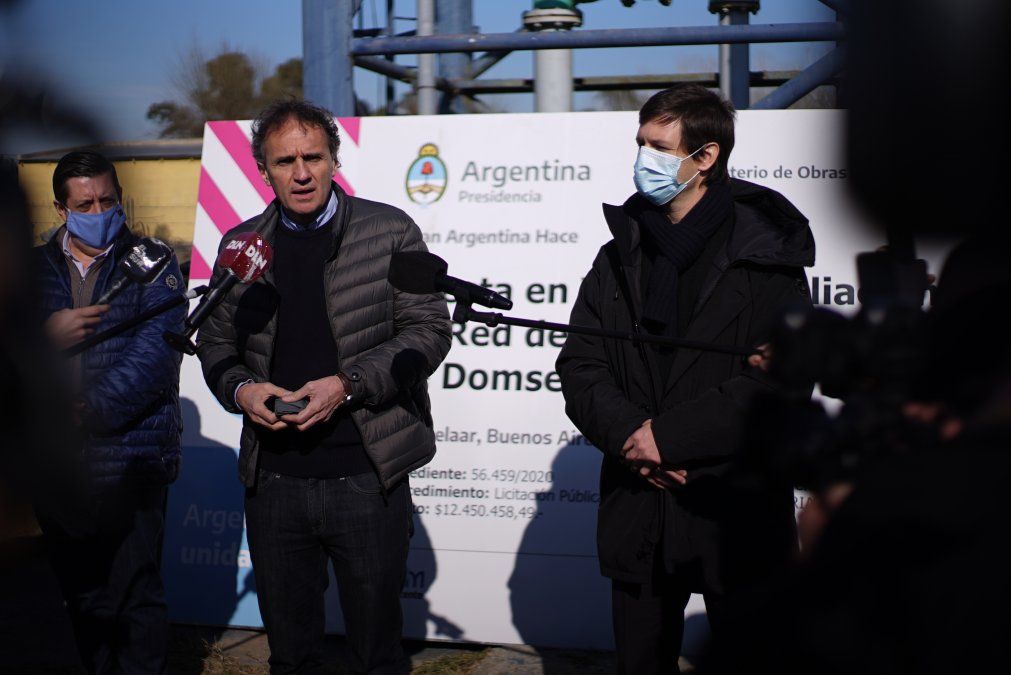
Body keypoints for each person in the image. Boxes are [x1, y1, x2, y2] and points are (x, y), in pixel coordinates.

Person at [555, 84, 814, 673]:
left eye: (660, 146)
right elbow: (581, 364)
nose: (644, 158)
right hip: (639, 503)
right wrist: (633, 439)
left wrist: (670, 440)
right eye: (641, 142)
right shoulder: (617, 254)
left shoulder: (766, 257)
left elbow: (778, 379)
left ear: (706, 157)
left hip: (732, 508)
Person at [195, 99, 451, 674]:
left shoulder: (389, 231)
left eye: (314, 157)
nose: (302, 172)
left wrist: (350, 384)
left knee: (375, 655)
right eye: (285, 161)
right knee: (290, 656)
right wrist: (241, 391)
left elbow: (429, 332)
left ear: (335, 160)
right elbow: (213, 343)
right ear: (263, 170)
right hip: (275, 484)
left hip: (366, 477)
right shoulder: (241, 246)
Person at [32, 150, 185, 673]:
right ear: (60, 209)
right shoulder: (30, 272)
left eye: (107, 201)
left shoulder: (153, 263)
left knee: (136, 598)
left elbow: (156, 354)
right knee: (80, 601)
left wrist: (85, 409)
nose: (98, 213)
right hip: (56, 469)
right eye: (85, 204)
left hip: (130, 462)